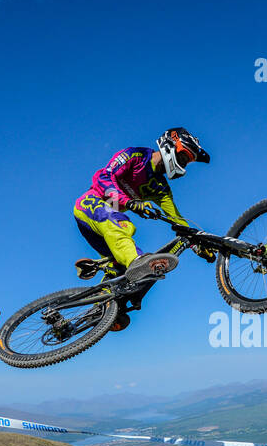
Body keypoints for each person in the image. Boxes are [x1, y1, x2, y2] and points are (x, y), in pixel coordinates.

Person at [72, 127, 215, 332]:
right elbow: (103, 177)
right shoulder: (135, 155)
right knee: (124, 226)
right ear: (170, 145)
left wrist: (198, 243)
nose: (183, 165)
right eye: (184, 157)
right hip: (91, 205)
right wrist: (128, 202)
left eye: (187, 162)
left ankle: (99, 310)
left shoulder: (161, 188)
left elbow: (177, 219)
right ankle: (130, 262)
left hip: (108, 229)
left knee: (134, 272)